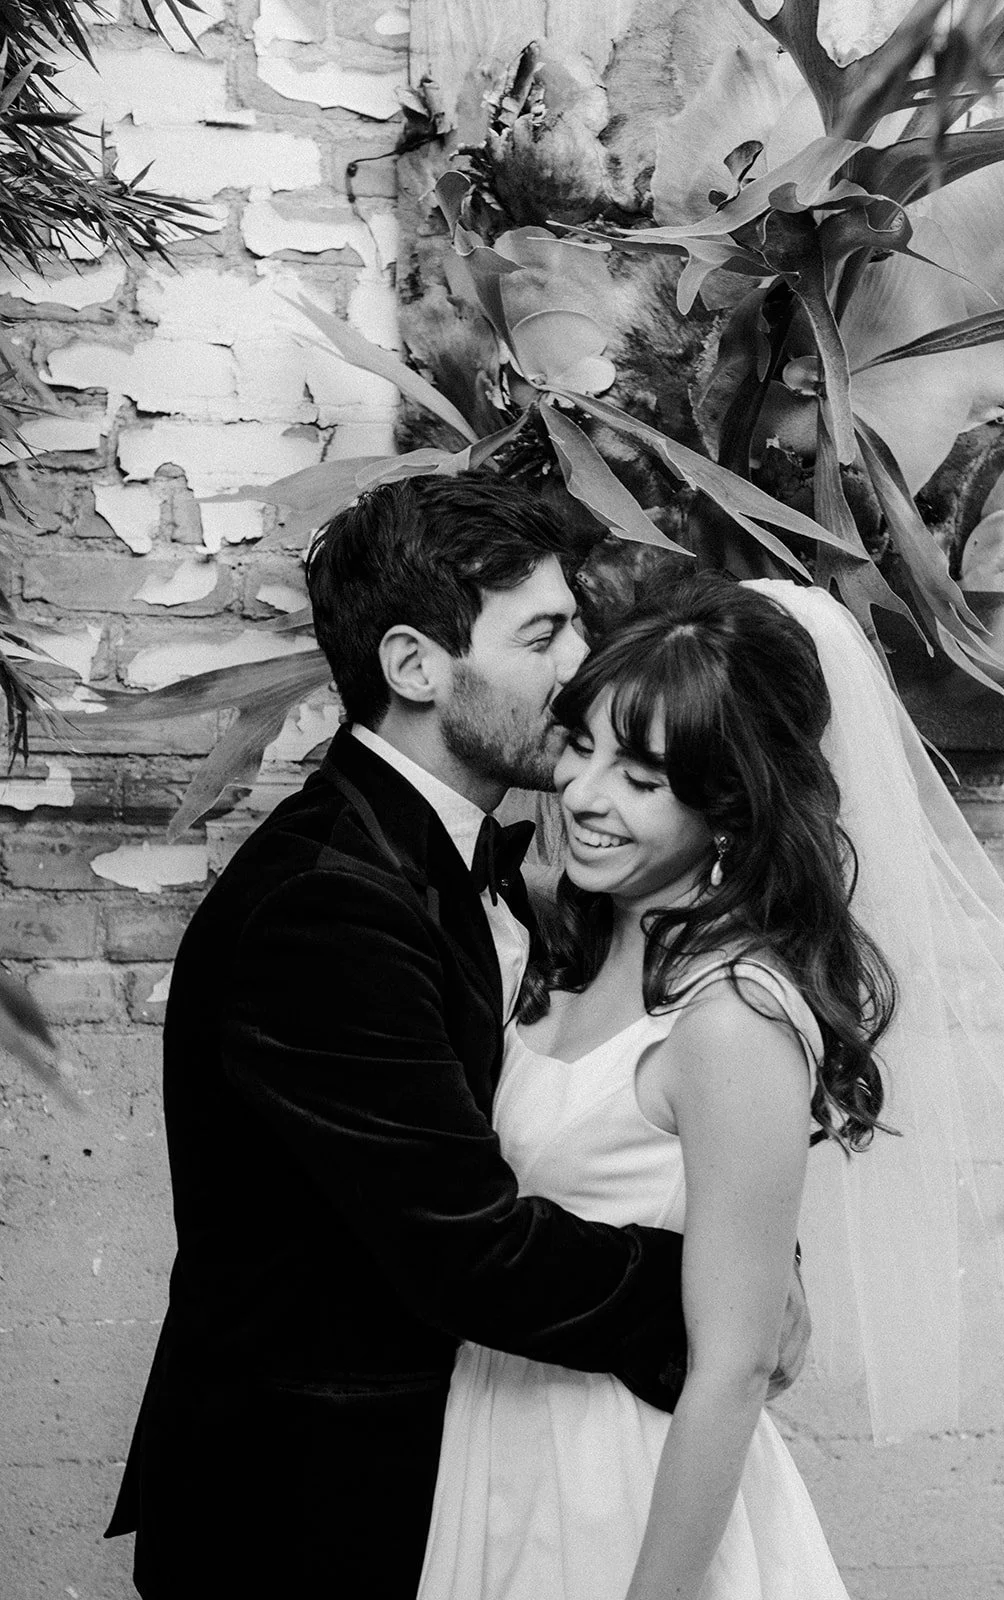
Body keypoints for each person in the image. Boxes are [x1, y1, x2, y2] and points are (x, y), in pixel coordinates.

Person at [104, 476, 809, 1599]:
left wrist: (746, 1246)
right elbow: (464, 1251)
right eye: (543, 633)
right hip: (307, 1514)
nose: (578, 661)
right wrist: (725, 1299)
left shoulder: (484, 871)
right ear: (415, 666)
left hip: (458, 1484)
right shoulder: (327, 903)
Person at [414, 572, 1004, 1600]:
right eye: (580, 746)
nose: (582, 793)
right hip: (497, 1442)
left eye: (641, 777)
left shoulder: (731, 1020)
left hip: (623, 1483)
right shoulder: (566, 950)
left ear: (727, 805)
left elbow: (731, 1369)